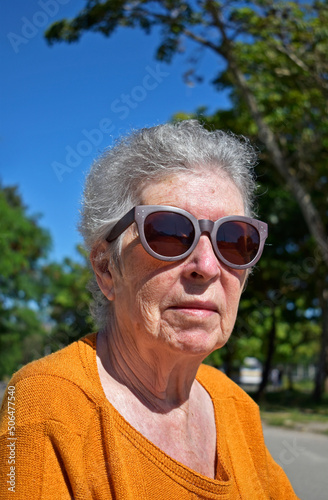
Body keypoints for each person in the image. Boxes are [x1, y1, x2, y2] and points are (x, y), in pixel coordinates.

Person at [0, 120, 299, 499]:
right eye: (169, 233)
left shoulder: (235, 405)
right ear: (107, 267)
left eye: (233, 240)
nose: (206, 265)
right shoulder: (45, 405)